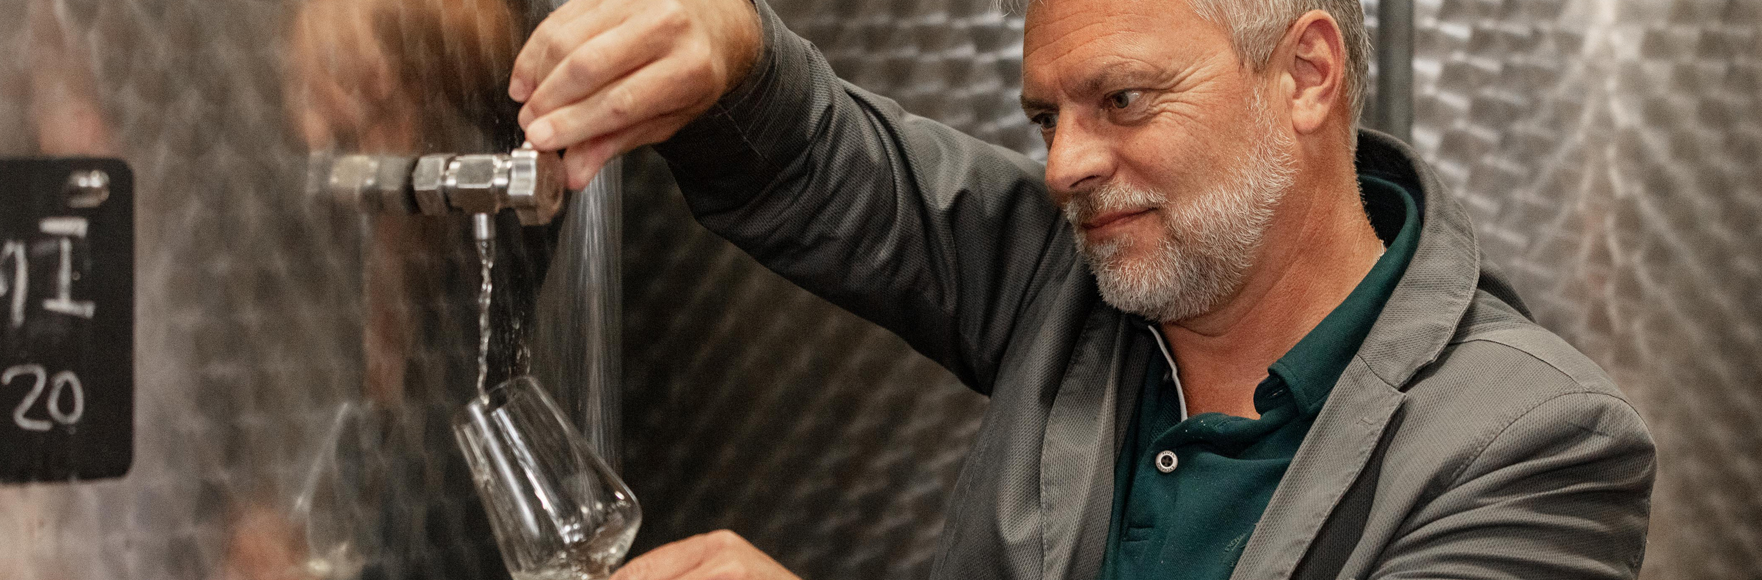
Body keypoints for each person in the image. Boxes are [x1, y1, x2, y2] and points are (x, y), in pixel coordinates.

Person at [509, 0, 1657, 578]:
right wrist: (731, 46)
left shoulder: (1533, 444)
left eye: (1123, 102)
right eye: (1046, 117)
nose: (1063, 167)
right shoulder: (1085, 287)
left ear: (1305, 74)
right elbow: (836, 171)